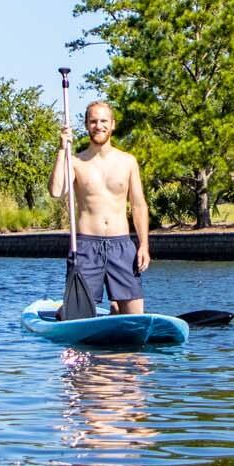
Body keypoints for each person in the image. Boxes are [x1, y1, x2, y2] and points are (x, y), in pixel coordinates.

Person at [49, 100, 151, 314]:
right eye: (93, 121)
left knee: (134, 314)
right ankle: (65, 311)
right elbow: (56, 191)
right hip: (86, 246)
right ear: (86, 125)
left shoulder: (128, 161)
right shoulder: (76, 162)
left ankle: (115, 312)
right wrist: (61, 150)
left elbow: (139, 205)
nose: (99, 125)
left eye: (104, 121)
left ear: (112, 124)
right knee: (79, 315)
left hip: (121, 247)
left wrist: (143, 246)